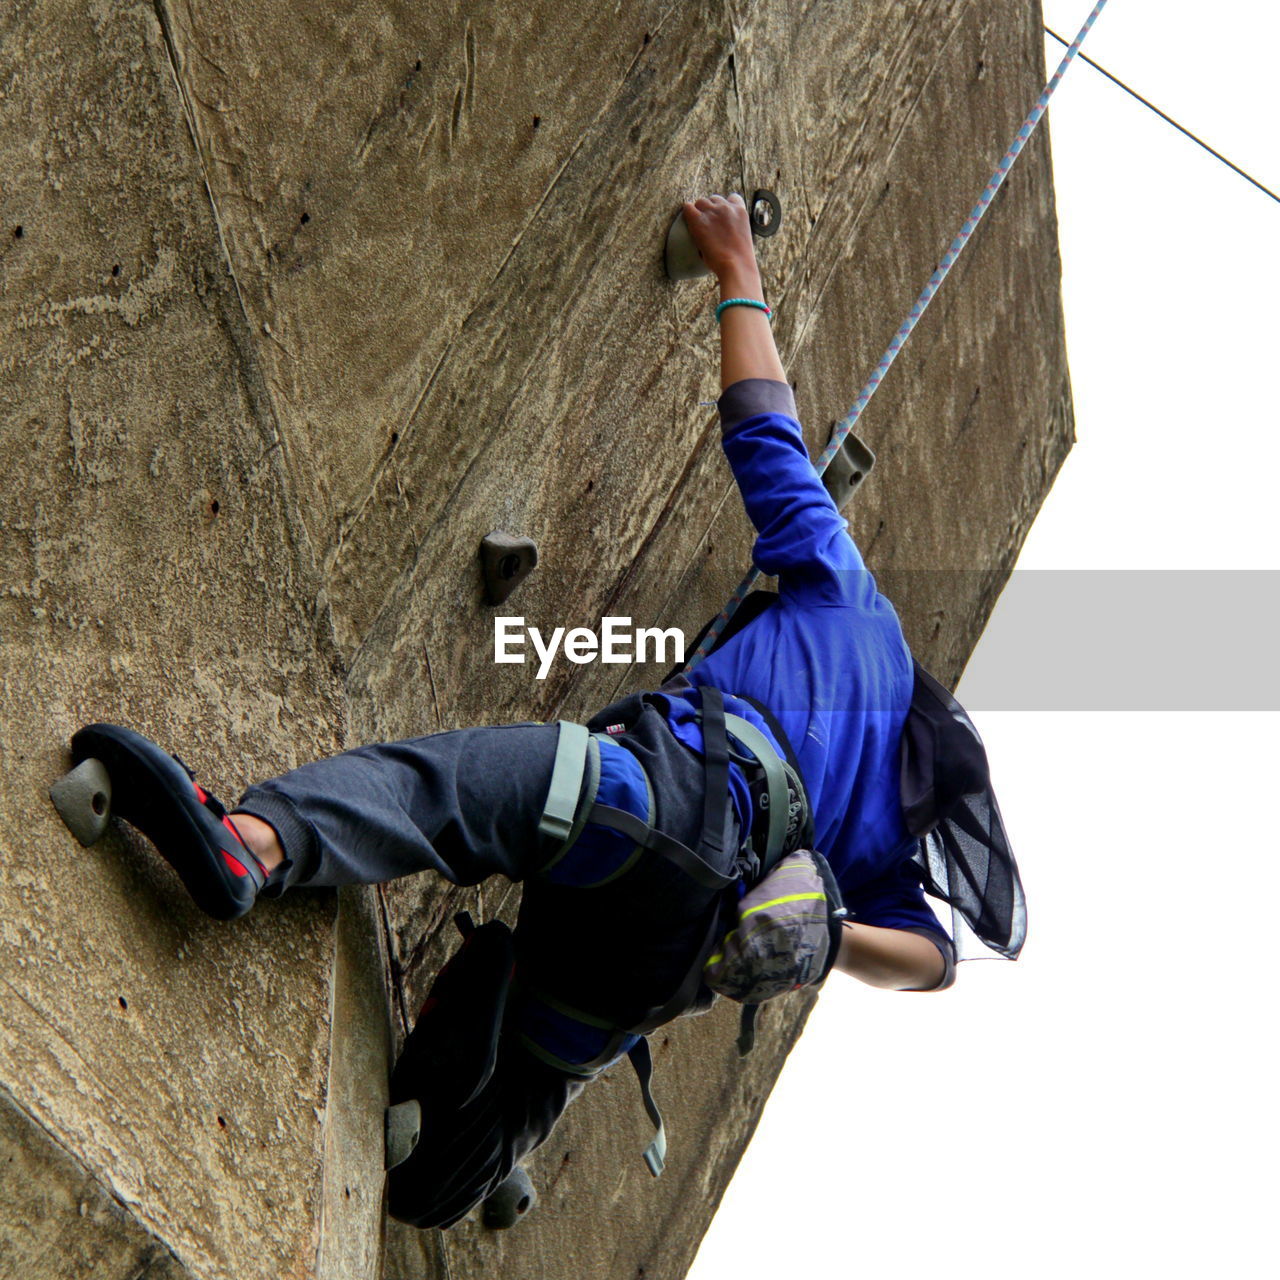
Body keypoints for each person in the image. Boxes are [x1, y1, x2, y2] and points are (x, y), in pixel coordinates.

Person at [68, 194, 1021, 1230]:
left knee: (454, 792)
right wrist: (830, 930)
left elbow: (763, 430)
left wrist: (737, 273)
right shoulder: (885, 843)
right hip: (662, 970)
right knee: (540, 1065)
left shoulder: (859, 614)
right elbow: (931, 965)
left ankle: (251, 841)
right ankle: (466, 1164)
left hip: (659, 803)